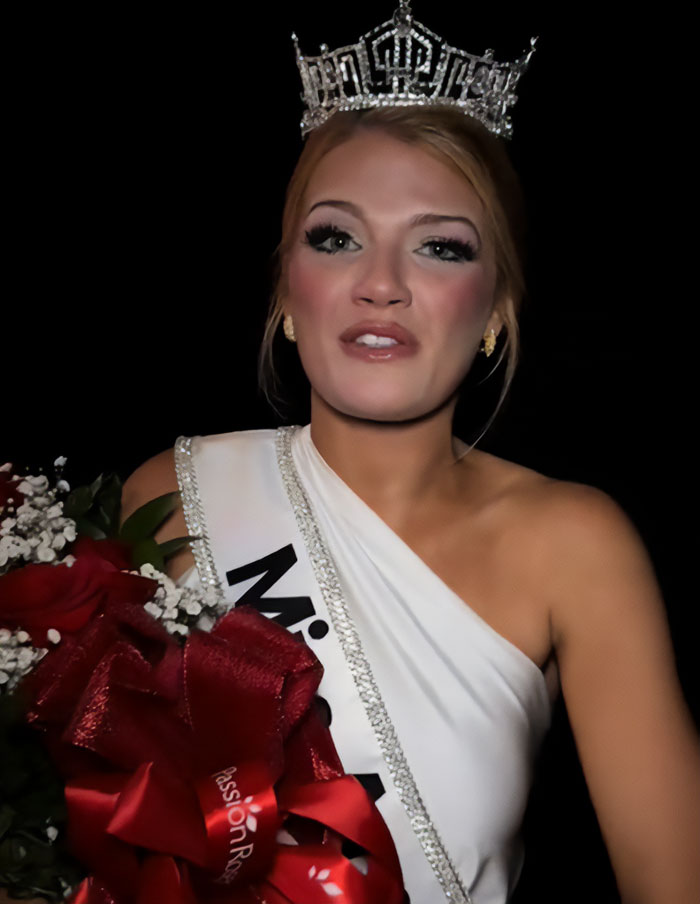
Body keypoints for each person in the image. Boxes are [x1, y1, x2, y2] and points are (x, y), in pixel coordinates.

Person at [118, 12, 700, 904]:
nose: (380, 282)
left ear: (496, 307)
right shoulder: (172, 495)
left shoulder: (572, 544)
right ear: (286, 290)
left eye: (440, 247)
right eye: (336, 237)